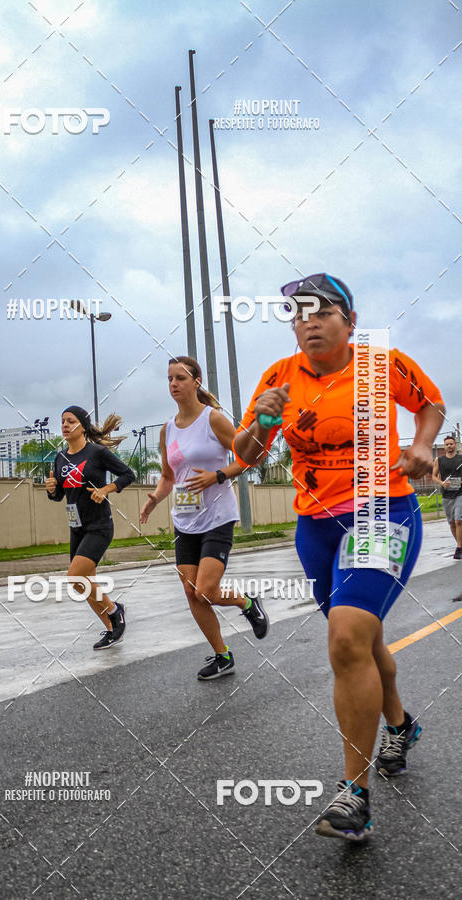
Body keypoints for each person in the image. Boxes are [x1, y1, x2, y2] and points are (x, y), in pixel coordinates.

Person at [233, 273, 445, 841]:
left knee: (347, 638)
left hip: (381, 512)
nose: (309, 323)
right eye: (299, 314)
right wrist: (264, 421)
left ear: (349, 321)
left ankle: (355, 795)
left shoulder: (381, 364)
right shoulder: (279, 377)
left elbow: (430, 404)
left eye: (322, 312)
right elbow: (246, 455)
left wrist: (421, 445)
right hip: (317, 526)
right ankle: (399, 725)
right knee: (362, 643)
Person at [139, 356, 269, 681]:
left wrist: (218, 475)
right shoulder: (168, 429)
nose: (173, 384)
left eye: (180, 378)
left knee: (206, 590)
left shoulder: (214, 419)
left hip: (217, 516)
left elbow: (247, 457)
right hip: (185, 520)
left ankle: (247, 603)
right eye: (169, 378)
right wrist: (154, 498)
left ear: (196, 382)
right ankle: (223, 656)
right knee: (190, 591)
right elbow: (168, 476)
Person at [46, 406, 135, 650]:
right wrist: (52, 489)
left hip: (99, 526)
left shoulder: (97, 453)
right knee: (83, 582)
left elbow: (128, 475)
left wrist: (106, 489)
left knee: (75, 577)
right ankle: (112, 629)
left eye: (70, 421)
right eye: (62, 421)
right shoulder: (60, 458)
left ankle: (115, 612)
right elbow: (59, 496)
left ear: (82, 426)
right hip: (76, 527)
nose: (65, 425)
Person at [432, 434, 462, 559]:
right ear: (444, 447)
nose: (449, 446)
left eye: (451, 444)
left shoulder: (460, 458)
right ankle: (460, 545)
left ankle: (459, 548)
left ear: (455, 445)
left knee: (459, 520)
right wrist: (442, 483)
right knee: (452, 523)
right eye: (447, 444)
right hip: (447, 495)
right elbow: (434, 476)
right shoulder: (439, 460)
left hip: (460, 493)